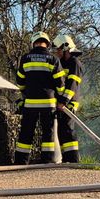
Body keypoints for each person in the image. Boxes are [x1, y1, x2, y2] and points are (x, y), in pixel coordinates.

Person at [15, 31, 65, 164]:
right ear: (47, 44)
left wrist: (24, 92)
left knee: (26, 132)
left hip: (30, 103)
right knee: (47, 134)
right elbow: (60, 83)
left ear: (33, 42)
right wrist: (60, 99)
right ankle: (47, 162)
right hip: (48, 104)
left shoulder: (26, 58)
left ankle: (21, 162)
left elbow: (20, 81)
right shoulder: (53, 59)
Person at [53, 33, 84, 164]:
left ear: (66, 47)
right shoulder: (62, 62)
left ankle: (74, 161)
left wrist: (63, 102)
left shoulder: (74, 63)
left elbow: (72, 86)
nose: (57, 52)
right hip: (61, 103)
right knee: (62, 131)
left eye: (58, 49)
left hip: (69, 103)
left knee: (68, 130)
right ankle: (67, 160)